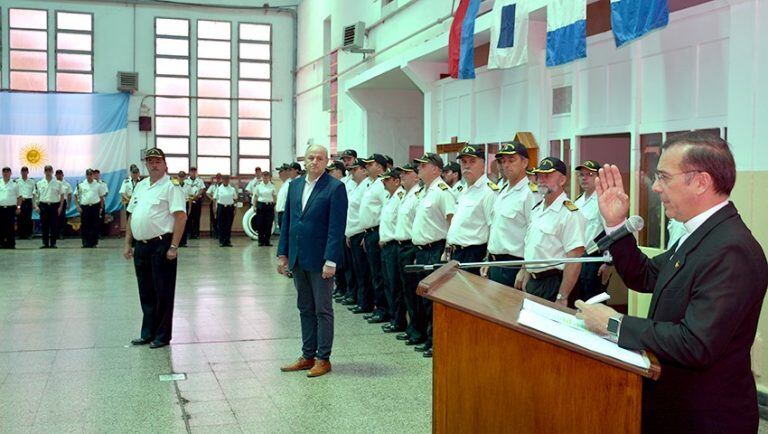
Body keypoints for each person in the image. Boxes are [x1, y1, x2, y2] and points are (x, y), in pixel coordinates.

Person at [576, 131, 768, 434]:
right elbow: (646, 275)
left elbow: (696, 343)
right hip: (677, 407)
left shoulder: (731, 249)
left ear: (701, 181)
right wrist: (615, 223)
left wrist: (616, 325)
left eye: (664, 177)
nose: (656, 187)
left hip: (707, 418)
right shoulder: (699, 235)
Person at [277, 144, 348, 378]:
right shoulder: (295, 185)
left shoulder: (335, 188)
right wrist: (283, 253)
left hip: (320, 260)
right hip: (298, 258)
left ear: (327, 161)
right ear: (304, 160)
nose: (314, 162)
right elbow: (288, 221)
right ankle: (307, 355)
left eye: (319, 158)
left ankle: (323, 358)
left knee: (323, 310)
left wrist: (331, 260)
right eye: (310, 158)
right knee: (305, 308)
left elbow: (336, 228)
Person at [123, 148, 186, 349]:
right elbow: (132, 215)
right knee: (146, 292)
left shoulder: (171, 186)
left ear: (165, 164)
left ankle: (162, 335)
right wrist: (127, 243)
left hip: (161, 245)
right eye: (150, 161)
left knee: (163, 292)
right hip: (141, 247)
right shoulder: (140, 186)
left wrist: (174, 246)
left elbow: (180, 217)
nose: (153, 164)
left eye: (157, 161)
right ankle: (148, 333)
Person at [515, 157, 586, 306]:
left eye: (547, 175)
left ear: (562, 180)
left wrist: (562, 296)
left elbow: (574, 259)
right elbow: (531, 247)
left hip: (553, 283)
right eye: (539, 175)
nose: (541, 179)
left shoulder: (570, 214)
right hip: (533, 281)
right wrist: (524, 271)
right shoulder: (537, 209)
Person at [412, 152, 455, 358]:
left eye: (423, 165)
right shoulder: (426, 191)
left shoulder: (442, 191)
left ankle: (437, 343)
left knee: (433, 301)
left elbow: (451, 222)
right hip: (422, 251)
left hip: (435, 251)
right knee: (423, 299)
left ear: (436, 169)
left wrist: (446, 252)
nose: (419, 168)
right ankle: (428, 338)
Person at [486, 142, 537, 287]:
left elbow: (533, 235)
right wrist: (488, 259)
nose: (506, 165)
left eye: (511, 160)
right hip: (495, 263)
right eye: (503, 161)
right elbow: (495, 227)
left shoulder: (530, 194)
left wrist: (525, 268)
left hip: (513, 265)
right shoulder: (503, 190)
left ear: (524, 162)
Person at [445, 145, 498, 271]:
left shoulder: (488, 192)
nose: (467, 166)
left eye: (472, 161)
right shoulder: (463, 190)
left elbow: (493, 228)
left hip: (474, 254)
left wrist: (487, 259)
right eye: (463, 162)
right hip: (456, 253)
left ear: (483, 165)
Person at [393, 164, 425, 345]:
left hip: (411, 246)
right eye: (402, 173)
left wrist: (414, 251)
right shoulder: (406, 195)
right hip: (401, 247)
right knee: (405, 290)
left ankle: (418, 331)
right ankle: (412, 327)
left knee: (413, 293)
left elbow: (418, 226)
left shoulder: (417, 196)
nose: (403, 176)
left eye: (407, 173)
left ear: (416, 177)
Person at [358, 154, 391, 324]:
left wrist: (380, 234)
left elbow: (385, 212)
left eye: (370, 164)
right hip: (369, 233)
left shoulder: (381, 185)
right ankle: (378, 306)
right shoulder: (371, 184)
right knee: (373, 273)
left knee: (379, 274)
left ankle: (383, 310)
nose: (366, 167)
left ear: (379, 167)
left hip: (377, 232)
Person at [573, 160, 608, 302]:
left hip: (595, 260)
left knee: (595, 304)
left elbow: (610, 232)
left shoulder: (603, 201)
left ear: (598, 177)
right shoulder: (577, 201)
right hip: (577, 259)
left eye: (589, 174)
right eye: (581, 175)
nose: (584, 178)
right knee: (578, 303)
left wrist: (608, 262)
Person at [378, 168, 406, 333]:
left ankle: (399, 320)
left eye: (387, 180)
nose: (384, 183)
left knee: (395, 286)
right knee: (388, 283)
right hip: (386, 246)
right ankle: (392, 316)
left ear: (396, 180)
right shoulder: (390, 197)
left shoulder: (401, 197)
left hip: (395, 245)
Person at [344, 161, 374, 314]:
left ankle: (365, 303)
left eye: (355, 169)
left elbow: (369, 212)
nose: (352, 172)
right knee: (356, 270)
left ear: (363, 170)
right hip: (353, 232)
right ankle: (359, 299)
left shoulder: (368, 186)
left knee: (363, 271)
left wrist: (365, 233)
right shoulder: (355, 186)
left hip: (361, 233)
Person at [34, 165, 65, 249]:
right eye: (46, 170)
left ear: (52, 172)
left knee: (54, 225)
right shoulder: (39, 183)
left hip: (54, 206)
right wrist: (35, 206)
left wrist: (60, 207)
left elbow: (62, 195)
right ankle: (45, 243)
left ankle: (53, 243)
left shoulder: (58, 183)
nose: (48, 172)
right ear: (44, 172)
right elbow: (35, 195)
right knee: (44, 225)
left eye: (49, 170)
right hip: (43, 206)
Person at [75, 169, 104, 248]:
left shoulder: (98, 185)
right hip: (85, 207)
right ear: (86, 175)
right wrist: (77, 206)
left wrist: (101, 207)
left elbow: (101, 197)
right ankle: (85, 243)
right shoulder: (81, 185)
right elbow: (75, 195)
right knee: (85, 225)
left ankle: (94, 243)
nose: (89, 176)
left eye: (91, 174)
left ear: (93, 175)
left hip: (95, 207)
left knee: (94, 225)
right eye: (88, 174)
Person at [213, 175, 237, 247]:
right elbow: (215, 199)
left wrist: (235, 209)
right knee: (221, 225)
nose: (226, 181)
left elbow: (235, 199)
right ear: (222, 180)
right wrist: (215, 209)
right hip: (221, 207)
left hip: (230, 207)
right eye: (224, 179)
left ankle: (227, 241)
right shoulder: (219, 189)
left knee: (228, 225)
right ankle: (222, 241)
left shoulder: (232, 189)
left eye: (227, 179)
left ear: (229, 180)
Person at [0, 167, 21, 249]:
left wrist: (18, 208)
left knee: (10, 227)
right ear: (2, 173)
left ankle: (11, 244)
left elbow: (19, 197)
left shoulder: (15, 184)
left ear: (10, 173)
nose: (5, 173)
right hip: (0, 209)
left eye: (7, 172)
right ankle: (1, 243)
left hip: (10, 209)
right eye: (4, 172)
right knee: (1, 227)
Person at [253, 171, 277, 246]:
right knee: (260, 224)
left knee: (268, 224)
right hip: (260, 206)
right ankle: (260, 241)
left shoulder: (272, 186)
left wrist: (274, 205)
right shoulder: (258, 186)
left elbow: (274, 196)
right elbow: (255, 197)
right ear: (262, 177)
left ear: (269, 177)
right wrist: (254, 206)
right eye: (264, 176)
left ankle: (267, 241)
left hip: (269, 206)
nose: (265, 178)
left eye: (267, 176)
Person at [184, 167, 205, 239]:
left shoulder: (200, 180)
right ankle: (189, 234)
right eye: (191, 171)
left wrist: (196, 196)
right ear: (189, 172)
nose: (193, 172)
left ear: (196, 172)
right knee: (189, 217)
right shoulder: (186, 181)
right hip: (188, 200)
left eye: (194, 171)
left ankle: (196, 234)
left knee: (196, 218)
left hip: (197, 200)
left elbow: (202, 189)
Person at [15, 166, 35, 239]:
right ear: (21, 172)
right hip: (20, 202)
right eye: (23, 171)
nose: (24, 172)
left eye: (25, 171)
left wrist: (34, 203)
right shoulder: (17, 181)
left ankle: (28, 234)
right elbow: (15, 192)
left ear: (28, 172)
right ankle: (20, 235)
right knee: (20, 218)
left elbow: (34, 192)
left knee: (28, 218)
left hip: (28, 201)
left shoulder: (32, 181)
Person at [55, 169, 73, 239]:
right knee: (54, 219)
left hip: (63, 202)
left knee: (62, 218)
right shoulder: (53, 183)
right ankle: (55, 234)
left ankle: (61, 234)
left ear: (63, 175)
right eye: (57, 174)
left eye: (60, 174)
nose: (59, 176)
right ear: (55, 175)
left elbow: (69, 195)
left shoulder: (67, 184)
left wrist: (68, 204)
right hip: (54, 202)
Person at [176, 171, 192, 247]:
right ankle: (176, 242)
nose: (181, 178)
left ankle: (183, 242)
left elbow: (190, 198)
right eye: (180, 176)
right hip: (177, 205)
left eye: (183, 177)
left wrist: (189, 208)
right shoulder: (174, 185)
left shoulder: (188, 186)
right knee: (176, 224)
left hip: (185, 204)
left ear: (185, 177)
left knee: (184, 224)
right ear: (177, 177)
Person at [206, 174, 221, 239]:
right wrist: (212, 198)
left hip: (221, 203)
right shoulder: (213, 186)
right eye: (217, 178)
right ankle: (216, 233)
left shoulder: (224, 186)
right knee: (214, 219)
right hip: (214, 202)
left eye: (219, 178)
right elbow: (207, 193)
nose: (218, 179)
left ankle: (221, 233)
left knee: (221, 219)